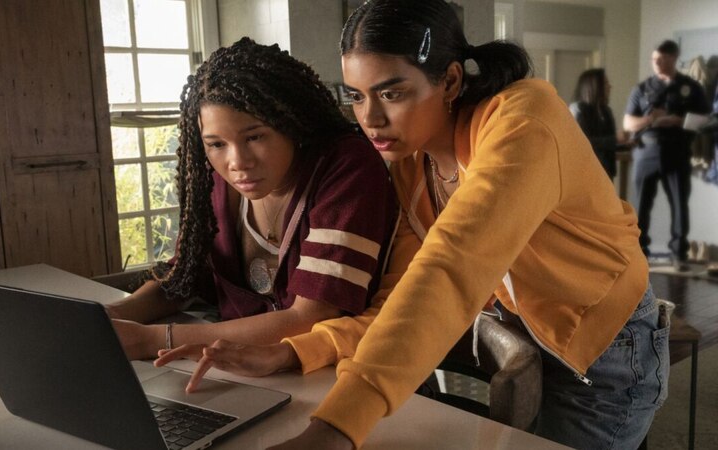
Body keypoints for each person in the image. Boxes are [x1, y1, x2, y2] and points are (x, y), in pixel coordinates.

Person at [157, 2, 669, 449]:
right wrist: (293, 351)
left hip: (607, 353)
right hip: (525, 334)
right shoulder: (411, 162)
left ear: (448, 80)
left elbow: (449, 269)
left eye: (392, 93)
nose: (370, 119)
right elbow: (399, 295)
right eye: (356, 96)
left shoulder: (524, 124)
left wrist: (336, 427)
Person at [108, 38, 398, 361]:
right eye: (216, 144)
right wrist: (113, 315)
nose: (237, 162)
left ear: (290, 123)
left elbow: (310, 319)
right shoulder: (219, 184)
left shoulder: (347, 167)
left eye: (255, 137)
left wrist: (153, 340)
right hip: (239, 372)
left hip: (341, 376)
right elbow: (185, 277)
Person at [624, 40, 710, 270]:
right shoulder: (642, 89)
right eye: (654, 60)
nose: (657, 64)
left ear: (673, 58)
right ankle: (639, 252)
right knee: (641, 206)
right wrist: (652, 119)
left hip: (677, 150)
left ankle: (678, 253)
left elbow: (706, 120)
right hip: (646, 151)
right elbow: (628, 122)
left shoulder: (691, 87)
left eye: (662, 59)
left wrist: (678, 121)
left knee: (679, 204)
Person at [570, 68, 618, 179]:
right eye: (605, 83)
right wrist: (616, 139)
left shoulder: (606, 111)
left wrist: (625, 142)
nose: (610, 86)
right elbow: (582, 142)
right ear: (595, 86)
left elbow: (608, 141)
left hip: (606, 172)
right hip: (585, 173)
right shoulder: (578, 110)